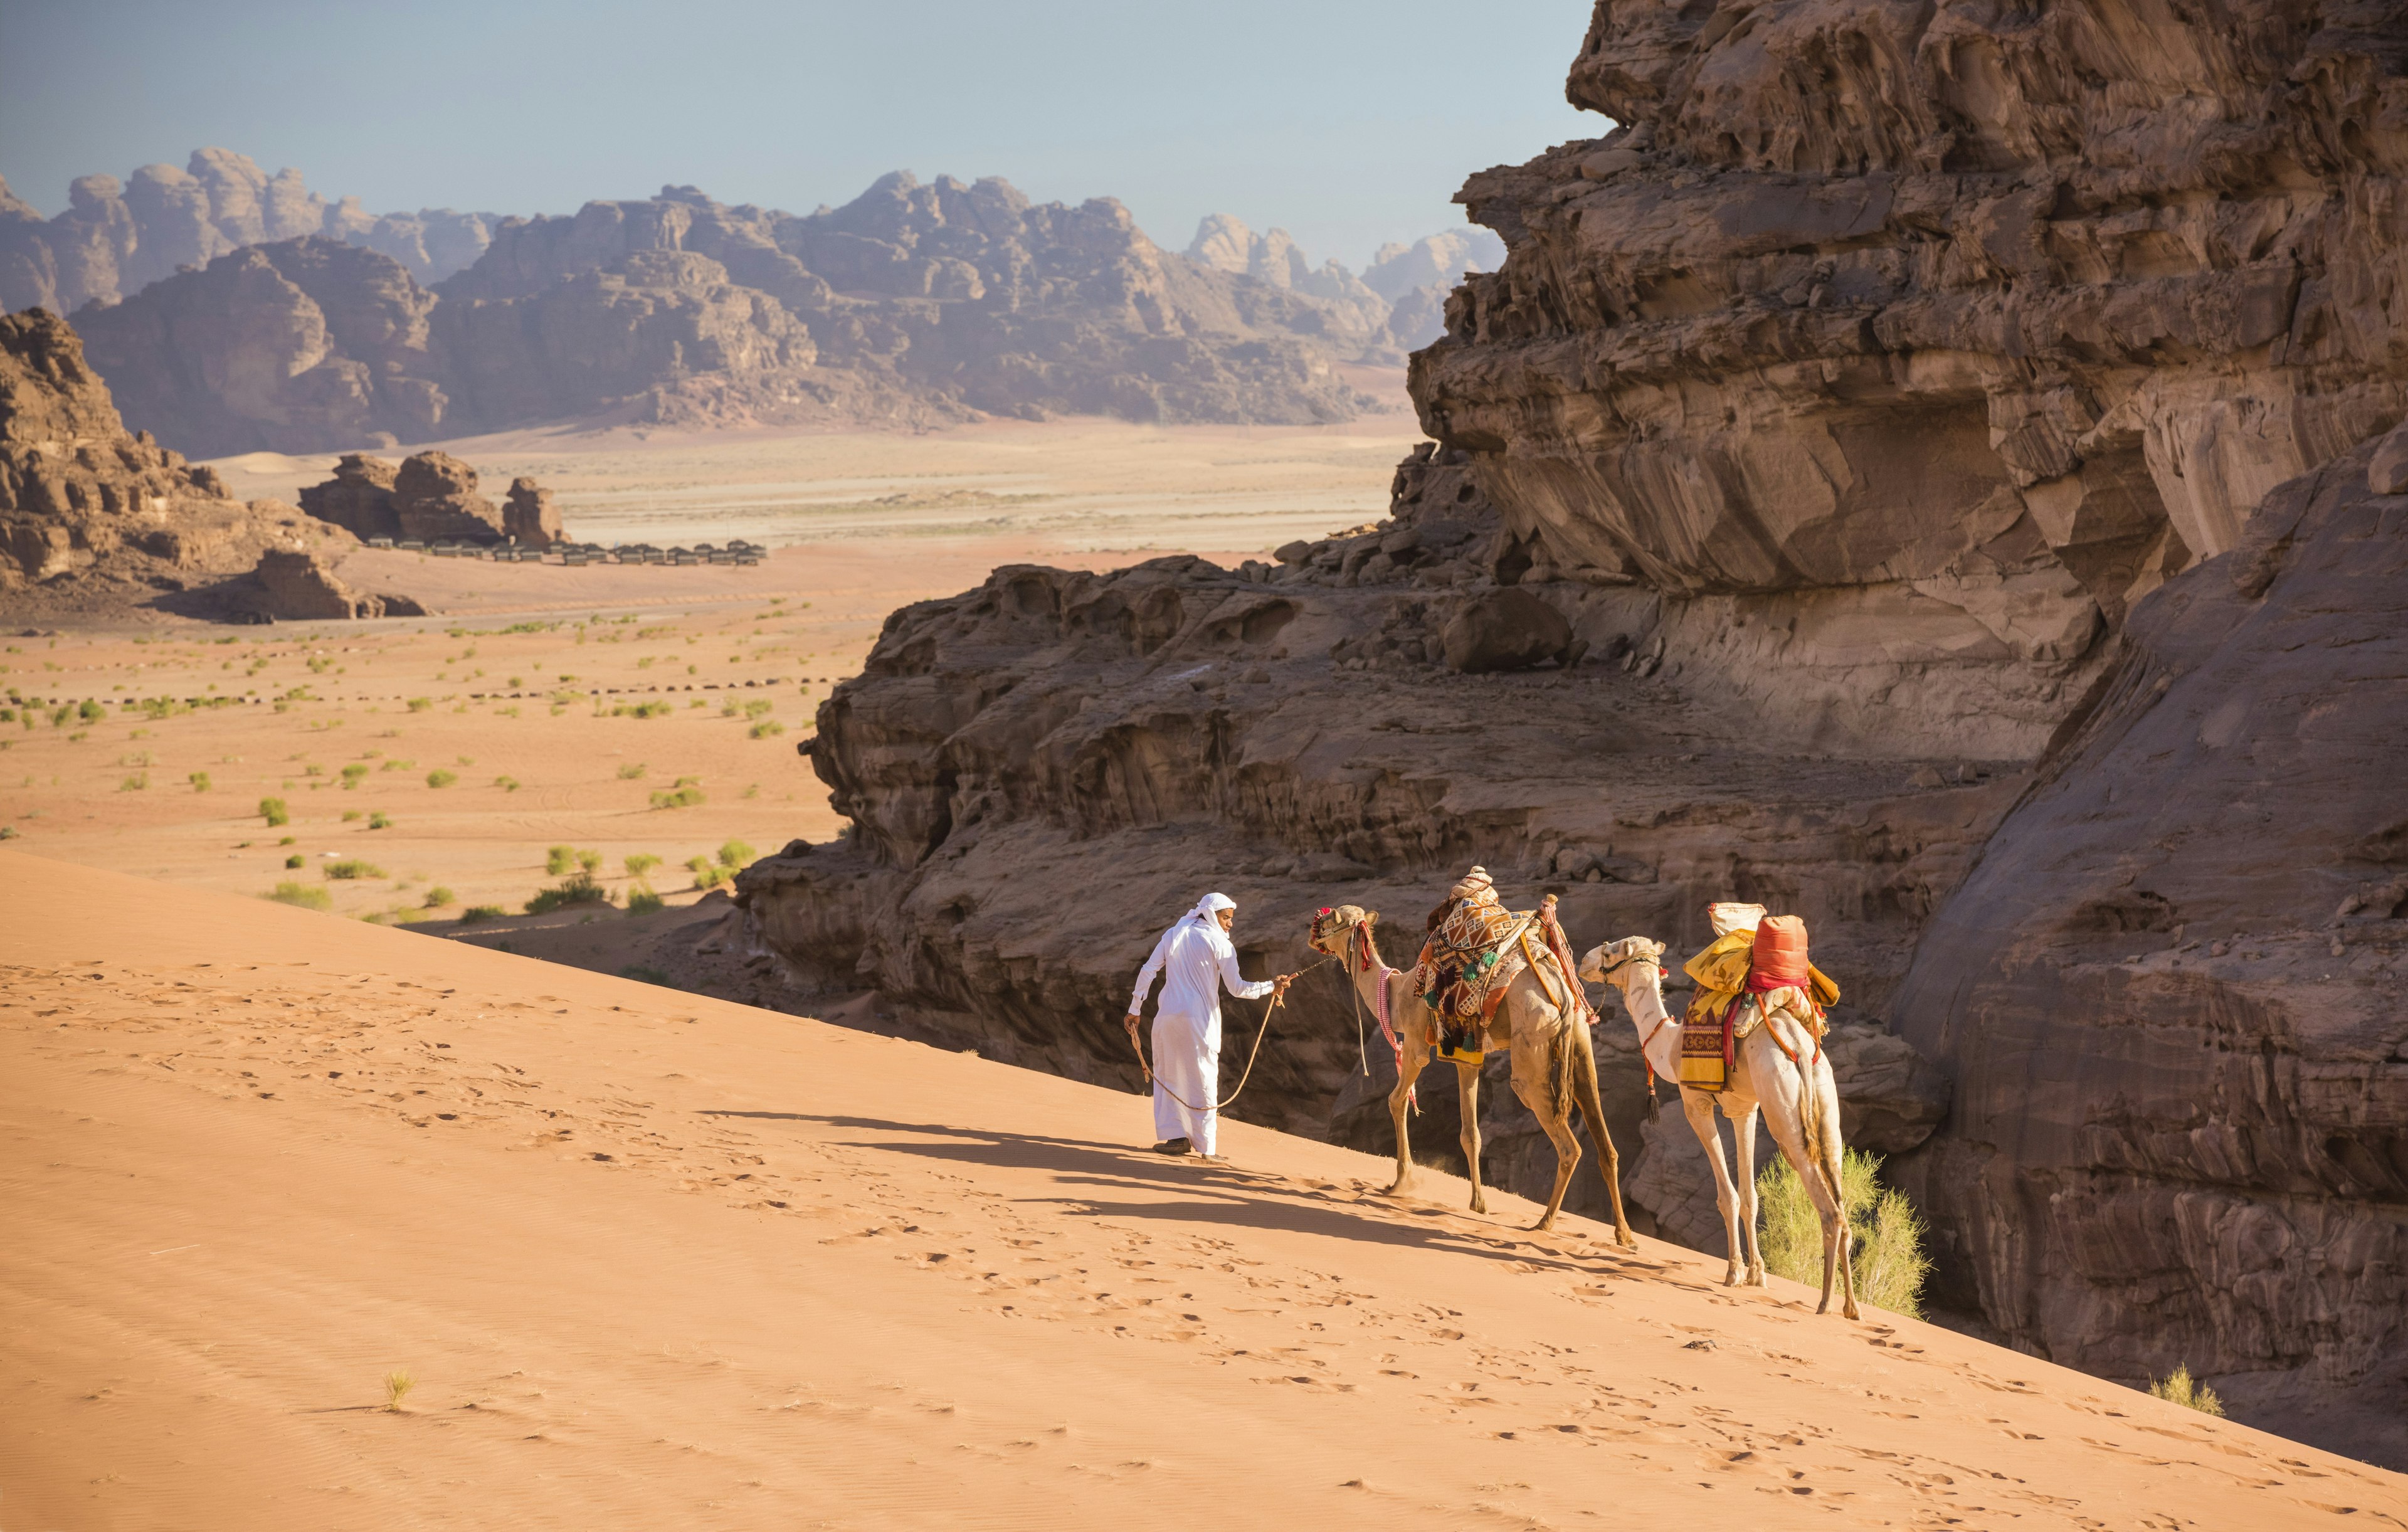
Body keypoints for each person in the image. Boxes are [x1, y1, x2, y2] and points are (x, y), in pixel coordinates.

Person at [1124, 892, 1294, 1159]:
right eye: (1226, 917)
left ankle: (1176, 1138)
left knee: (1170, 1076)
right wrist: (1271, 986)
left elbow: (1148, 970)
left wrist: (1135, 1009)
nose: (1230, 924)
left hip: (1166, 1019)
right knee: (1203, 1078)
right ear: (1212, 915)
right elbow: (1238, 989)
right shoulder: (1220, 944)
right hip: (1198, 1022)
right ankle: (1207, 1149)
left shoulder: (1173, 934)